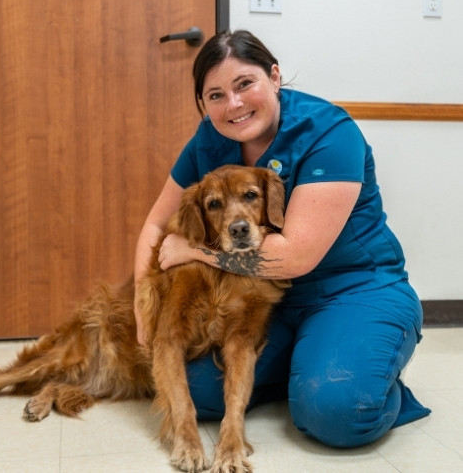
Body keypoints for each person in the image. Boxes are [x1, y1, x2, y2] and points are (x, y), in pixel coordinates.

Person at [133, 29, 431, 448]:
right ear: (203, 103)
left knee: (338, 412)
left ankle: (362, 378)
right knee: (200, 391)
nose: (232, 104)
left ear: (274, 76)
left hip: (352, 289)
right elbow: (153, 226)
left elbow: (294, 258)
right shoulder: (210, 137)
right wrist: (143, 306)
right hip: (268, 301)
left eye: (244, 84)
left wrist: (193, 248)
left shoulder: (328, 133)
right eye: (215, 95)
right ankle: (305, 370)